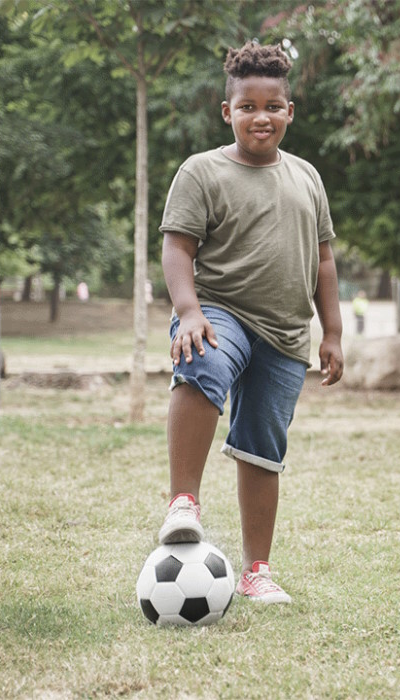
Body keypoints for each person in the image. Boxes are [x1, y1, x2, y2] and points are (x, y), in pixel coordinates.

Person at [157, 41, 343, 604]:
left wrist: (331, 331)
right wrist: (189, 311)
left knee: (263, 447)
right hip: (219, 310)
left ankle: (256, 570)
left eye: (272, 106)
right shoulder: (202, 171)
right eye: (247, 107)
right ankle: (182, 504)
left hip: (285, 333)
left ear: (290, 111)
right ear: (227, 111)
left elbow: (324, 258)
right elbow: (177, 248)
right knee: (204, 360)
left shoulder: (307, 176)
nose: (260, 117)